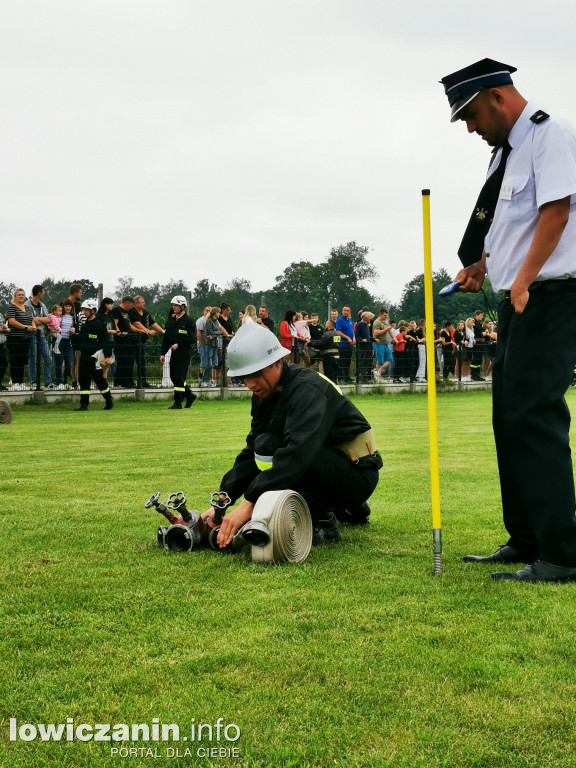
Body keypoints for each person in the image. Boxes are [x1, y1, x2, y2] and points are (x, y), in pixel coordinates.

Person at [441, 57, 576, 582]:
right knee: (508, 418)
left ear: (497, 96)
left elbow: (557, 212)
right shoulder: (507, 153)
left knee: (534, 416)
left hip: (552, 293)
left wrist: (522, 277)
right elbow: (509, 225)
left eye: (471, 115)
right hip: (519, 295)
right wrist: (482, 265)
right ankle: (526, 539)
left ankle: (563, 551)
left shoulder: (549, 134)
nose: (470, 128)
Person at [205, 322, 382, 549]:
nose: (250, 384)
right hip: (334, 468)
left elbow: (299, 454)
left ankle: (323, 523)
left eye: (256, 374)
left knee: (293, 453)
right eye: (243, 377)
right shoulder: (264, 394)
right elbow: (252, 451)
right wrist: (223, 500)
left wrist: (248, 503)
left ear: (277, 362)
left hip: (358, 474)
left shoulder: (307, 388)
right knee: (264, 444)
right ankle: (346, 508)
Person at [72, 299, 113, 411]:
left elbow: (105, 341)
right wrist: (75, 335)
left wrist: (108, 356)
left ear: (93, 310)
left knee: (99, 380)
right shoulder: (85, 325)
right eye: (83, 310)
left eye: (86, 310)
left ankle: (109, 401)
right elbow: (81, 339)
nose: (84, 312)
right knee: (83, 380)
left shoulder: (100, 325)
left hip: (95, 358)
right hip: (84, 357)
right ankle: (84, 404)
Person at [160, 295, 197, 409]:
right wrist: (162, 353)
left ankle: (178, 402)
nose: (174, 307)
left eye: (176, 305)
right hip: (174, 353)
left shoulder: (188, 321)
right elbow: (166, 339)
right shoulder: (171, 321)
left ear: (182, 306)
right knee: (174, 376)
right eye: (173, 305)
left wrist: (179, 344)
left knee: (179, 376)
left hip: (184, 352)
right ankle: (189, 395)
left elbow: (192, 338)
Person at [129, 296, 164, 387]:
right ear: (136, 303)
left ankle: (143, 381)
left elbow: (153, 323)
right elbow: (137, 324)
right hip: (132, 341)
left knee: (142, 361)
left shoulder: (145, 313)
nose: (144, 303)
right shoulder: (132, 312)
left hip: (142, 342)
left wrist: (163, 331)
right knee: (130, 362)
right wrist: (148, 331)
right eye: (142, 302)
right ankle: (130, 382)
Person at [6, 288, 36, 389]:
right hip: (14, 337)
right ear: (15, 296)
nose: (21, 296)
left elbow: (31, 319)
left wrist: (33, 326)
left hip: (26, 337)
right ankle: (15, 383)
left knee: (22, 360)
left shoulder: (27, 307)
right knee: (15, 360)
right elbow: (12, 321)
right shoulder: (12, 307)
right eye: (19, 295)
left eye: (23, 294)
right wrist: (26, 327)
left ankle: (20, 382)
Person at [26, 285, 53, 389]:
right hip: (31, 333)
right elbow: (29, 319)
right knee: (33, 358)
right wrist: (38, 320)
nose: (44, 294)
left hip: (41, 334)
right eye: (43, 292)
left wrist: (36, 319)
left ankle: (48, 382)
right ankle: (33, 381)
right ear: (39, 293)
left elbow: (48, 319)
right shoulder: (27, 304)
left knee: (48, 357)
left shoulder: (42, 305)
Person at [112, 297, 135, 388]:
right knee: (122, 361)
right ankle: (120, 382)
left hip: (128, 340)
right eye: (131, 305)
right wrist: (119, 333)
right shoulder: (117, 310)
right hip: (120, 341)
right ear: (126, 303)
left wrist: (142, 330)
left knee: (129, 361)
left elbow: (129, 325)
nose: (131, 307)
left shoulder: (126, 313)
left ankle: (129, 381)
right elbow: (115, 323)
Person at [308, 319, 341, 383]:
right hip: (336, 356)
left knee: (329, 375)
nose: (325, 325)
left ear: (328, 325)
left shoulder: (327, 334)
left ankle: (330, 389)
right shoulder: (337, 334)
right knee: (334, 374)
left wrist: (309, 342)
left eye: (326, 324)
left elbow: (319, 344)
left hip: (328, 357)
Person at [372, 308, 392, 382]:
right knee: (380, 361)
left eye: (387, 315)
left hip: (386, 343)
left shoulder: (386, 321)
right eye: (384, 315)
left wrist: (394, 338)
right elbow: (376, 333)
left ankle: (378, 371)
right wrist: (385, 329)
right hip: (378, 344)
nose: (386, 317)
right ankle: (378, 378)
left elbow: (389, 330)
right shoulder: (377, 322)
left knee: (390, 359)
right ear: (380, 314)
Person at [335, 306, 354, 383]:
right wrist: (347, 338)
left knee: (348, 362)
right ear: (342, 311)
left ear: (349, 312)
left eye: (347, 311)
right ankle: (341, 377)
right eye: (344, 310)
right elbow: (338, 331)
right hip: (343, 344)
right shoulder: (340, 320)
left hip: (350, 344)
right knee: (342, 361)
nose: (346, 312)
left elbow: (351, 330)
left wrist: (353, 338)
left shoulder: (350, 320)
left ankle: (347, 377)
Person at [0, 302, 10, 390]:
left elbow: (3, 325)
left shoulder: (0, 315)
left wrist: (5, 328)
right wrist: (2, 329)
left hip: (1, 343)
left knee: (4, 363)